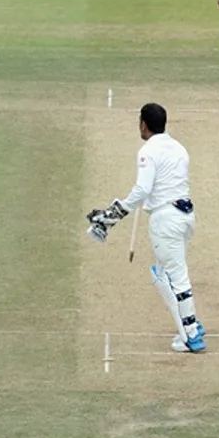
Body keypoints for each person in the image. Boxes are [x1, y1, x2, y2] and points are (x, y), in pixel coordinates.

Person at [85, 103, 205, 353]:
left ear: (143, 124)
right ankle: (189, 323)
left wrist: (113, 214)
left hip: (165, 220)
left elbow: (142, 189)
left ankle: (191, 333)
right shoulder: (179, 148)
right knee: (164, 273)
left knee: (173, 276)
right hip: (185, 217)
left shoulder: (147, 151)